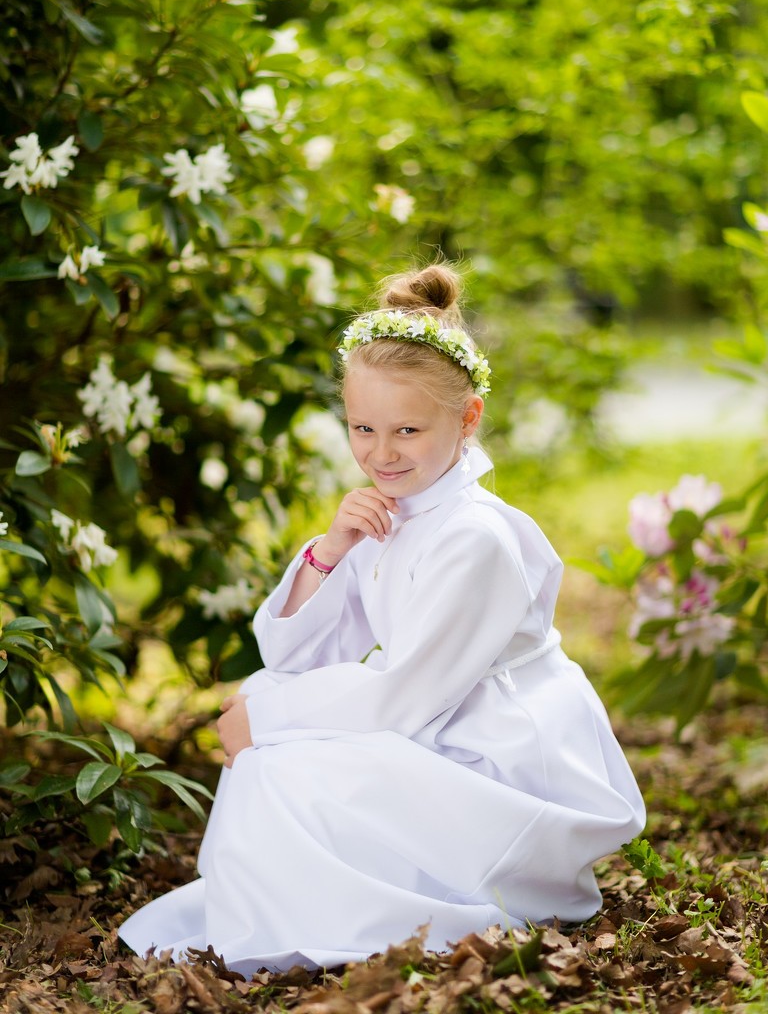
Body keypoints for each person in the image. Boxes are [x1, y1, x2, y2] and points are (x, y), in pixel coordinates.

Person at [119, 263, 645, 975]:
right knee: (272, 766)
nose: (381, 452)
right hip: (434, 724)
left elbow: (408, 695)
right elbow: (295, 653)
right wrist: (332, 551)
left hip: (500, 761)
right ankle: (297, 908)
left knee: (278, 767)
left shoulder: (476, 537)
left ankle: (364, 911)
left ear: (468, 419)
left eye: (406, 429)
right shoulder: (395, 511)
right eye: (362, 428)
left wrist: (267, 715)